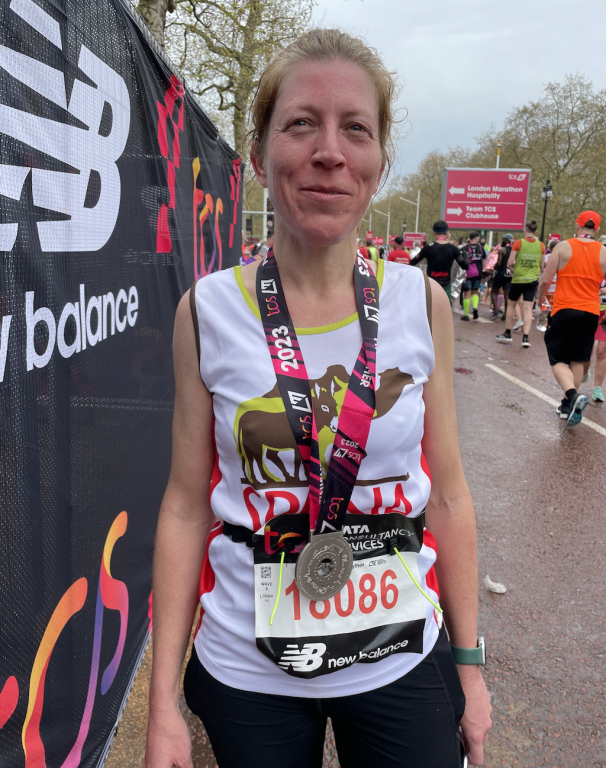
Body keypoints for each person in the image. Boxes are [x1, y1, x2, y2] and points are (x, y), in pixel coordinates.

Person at [145, 29, 491, 768]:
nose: (329, 150)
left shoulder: (421, 303)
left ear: (378, 161)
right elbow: (182, 506)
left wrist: (469, 662)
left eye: (354, 129)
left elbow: (451, 496)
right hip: (249, 659)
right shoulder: (206, 312)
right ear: (262, 151)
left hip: (400, 651)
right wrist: (162, 704)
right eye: (302, 122)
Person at [537, 210, 606, 425]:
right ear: (597, 229)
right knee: (578, 358)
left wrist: (540, 301)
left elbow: (545, 281)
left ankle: (572, 395)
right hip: (591, 312)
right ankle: (568, 405)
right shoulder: (604, 252)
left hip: (565, 309)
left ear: (577, 226)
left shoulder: (563, 247)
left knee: (557, 357)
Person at [496, 220, 545, 348]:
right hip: (532, 280)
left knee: (511, 305)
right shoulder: (541, 245)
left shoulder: (518, 243)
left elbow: (510, 262)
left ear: (525, 230)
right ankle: (525, 337)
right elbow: (542, 265)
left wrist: (513, 268)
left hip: (518, 279)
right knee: (528, 309)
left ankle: (507, 334)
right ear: (535, 232)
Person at [410, 220, 469, 305]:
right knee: (446, 312)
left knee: (429, 311)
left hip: (431, 286)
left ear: (434, 233)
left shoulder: (427, 248)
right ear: (447, 233)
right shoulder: (453, 249)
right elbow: (465, 266)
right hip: (445, 287)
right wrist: (466, 255)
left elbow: (412, 262)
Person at [460, 231, 485, 320]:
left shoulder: (465, 248)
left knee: (466, 293)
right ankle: (475, 307)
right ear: (477, 238)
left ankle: (466, 315)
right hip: (478, 273)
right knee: (475, 292)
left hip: (468, 274)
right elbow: (483, 261)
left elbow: (461, 261)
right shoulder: (481, 248)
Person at [490, 234, 514, 320]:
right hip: (509, 274)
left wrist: (494, 266)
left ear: (505, 240)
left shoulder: (502, 250)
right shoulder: (514, 251)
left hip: (500, 274)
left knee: (493, 291)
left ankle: (496, 311)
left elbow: (499, 263)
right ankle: (506, 315)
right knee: (506, 295)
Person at [591, 278, 606, 403]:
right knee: (587, 348)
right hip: (590, 312)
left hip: (605, 317)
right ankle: (584, 370)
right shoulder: (595, 267)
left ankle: (597, 388)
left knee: (601, 351)